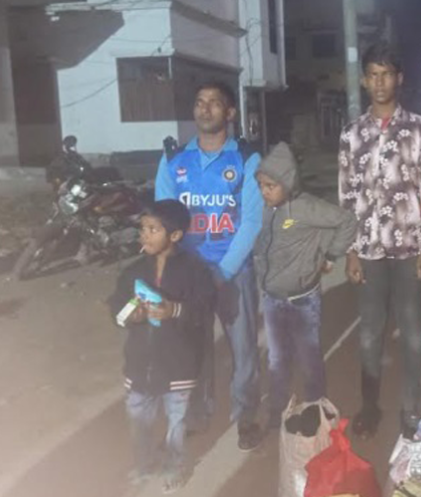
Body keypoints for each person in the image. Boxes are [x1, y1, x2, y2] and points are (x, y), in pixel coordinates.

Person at [155, 81, 265, 450]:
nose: (205, 109)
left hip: (233, 273)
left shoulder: (246, 159)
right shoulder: (173, 160)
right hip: (189, 276)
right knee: (192, 348)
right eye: (200, 102)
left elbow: (251, 221)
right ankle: (197, 415)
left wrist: (223, 272)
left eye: (214, 103)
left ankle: (245, 417)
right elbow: (165, 219)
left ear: (230, 112)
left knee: (243, 349)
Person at [338, 42, 421, 438]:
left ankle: (410, 408)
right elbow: (346, 195)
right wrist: (350, 250)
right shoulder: (352, 133)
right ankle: (369, 406)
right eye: (373, 75)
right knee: (369, 333)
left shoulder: (420, 129)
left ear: (399, 79)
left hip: (410, 247)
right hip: (368, 249)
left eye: (386, 74)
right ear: (364, 81)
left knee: (412, 333)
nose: (380, 82)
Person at [109, 200, 216, 494]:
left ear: (176, 235)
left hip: (178, 365)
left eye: (153, 229)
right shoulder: (132, 272)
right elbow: (116, 307)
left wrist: (175, 310)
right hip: (139, 364)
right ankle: (144, 465)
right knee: (139, 422)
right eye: (143, 228)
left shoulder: (195, 271)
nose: (144, 234)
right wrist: (128, 316)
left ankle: (174, 467)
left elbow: (204, 309)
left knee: (176, 424)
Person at [253, 142, 357, 429]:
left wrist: (331, 255)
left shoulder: (305, 207)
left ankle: (315, 410)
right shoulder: (269, 209)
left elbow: (346, 221)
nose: (264, 192)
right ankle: (277, 410)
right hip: (272, 298)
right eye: (261, 186)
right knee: (277, 360)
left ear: (288, 183)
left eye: (271, 186)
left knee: (309, 359)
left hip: (302, 300)